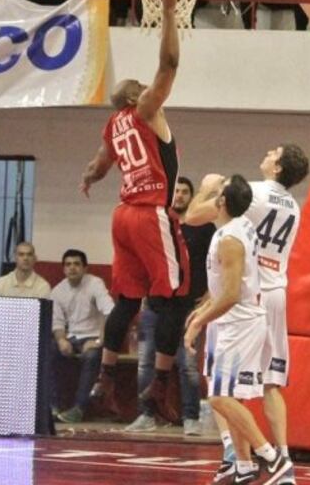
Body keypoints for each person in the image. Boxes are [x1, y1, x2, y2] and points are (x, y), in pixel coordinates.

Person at [79, 0, 191, 423]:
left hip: (121, 214)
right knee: (175, 298)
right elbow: (169, 63)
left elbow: (98, 167)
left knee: (128, 300)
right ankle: (158, 388)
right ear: (135, 95)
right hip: (149, 214)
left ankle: (104, 380)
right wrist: (168, 10)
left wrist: (88, 178)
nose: (151, 88)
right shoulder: (145, 109)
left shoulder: (113, 126)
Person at [186, 145, 310, 484]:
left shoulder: (251, 194)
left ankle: (240, 455)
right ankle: (276, 457)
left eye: (275, 152)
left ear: (279, 167)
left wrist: (209, 187)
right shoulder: (295, 208)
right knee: (270, 383)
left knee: (221, 386)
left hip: (242, 299)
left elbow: (193, 216)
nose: (268, 152)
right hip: (275, 293)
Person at [125, 176, 215, 435]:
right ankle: (146, 415)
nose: (180, 196)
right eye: (176, 191)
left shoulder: (205, 227)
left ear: (192, 196)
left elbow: (215, 261)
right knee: (146, 363)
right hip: (156, 304)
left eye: (186, 192)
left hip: (188, 306)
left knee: (187, 364)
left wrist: (210, 292)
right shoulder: (158, 224)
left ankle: (191, 417)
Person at [50, 249, 115, 423]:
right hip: (71, 337)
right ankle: (53, 407)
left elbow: (109, 312)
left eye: (77, 264)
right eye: (68, 264)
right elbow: (56, 323)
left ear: (85, 268)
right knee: (48, 350)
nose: (72, 268)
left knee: (92, 356)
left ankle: (79, 408)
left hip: (93, 337)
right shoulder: (57, 291)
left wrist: (99, 340)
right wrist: (61, 340)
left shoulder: (95, 284)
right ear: (63, 268)